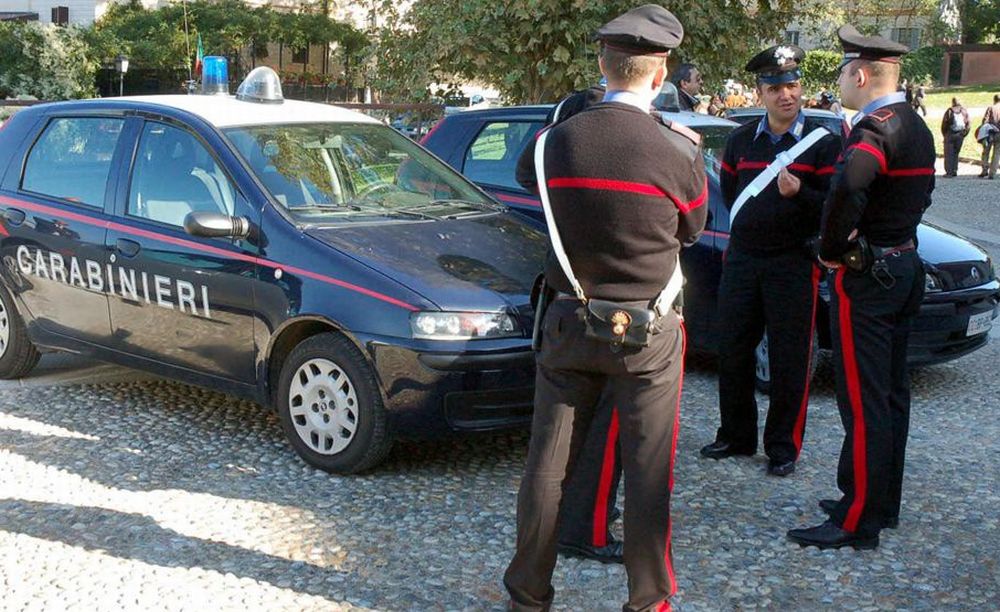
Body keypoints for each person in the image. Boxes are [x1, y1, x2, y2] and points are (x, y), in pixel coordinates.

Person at [503, 5, 708, 610]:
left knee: (546, 468)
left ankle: (528, 595)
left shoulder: (553, 143)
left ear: (602, 63)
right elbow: (692, 229)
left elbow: (526, 178)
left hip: (570, 318)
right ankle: (650, 600)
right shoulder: (678, 149)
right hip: (650, 331)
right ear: (661, 70)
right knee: (647, 473)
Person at [787, 24, 935, 550]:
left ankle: (857, 520)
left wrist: (830, 248)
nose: (842, 81)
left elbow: (850, 185)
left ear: (862, 73)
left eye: (845, 72)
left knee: (863, 399)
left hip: (868, 276)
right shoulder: (916, 124)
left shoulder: (875, 127)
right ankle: (879, 502)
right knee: (892, 394)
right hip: (904, 264)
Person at [699, 45, 840, 477]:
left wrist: (801, 195)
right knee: (734, 349)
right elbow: (729, 193)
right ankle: (736, 435)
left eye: (793, 86)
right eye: (776, 87)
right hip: (743, 260)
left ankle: (782, 447)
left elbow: (834, 207)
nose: (786, 95)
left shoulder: (823, 144)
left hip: (792, 262)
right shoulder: (741, 140)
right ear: (760, 93)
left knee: (790, 358)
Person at [544, 78, 627, 566]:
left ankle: (559, 525)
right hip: (613, 313)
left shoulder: (550, 158)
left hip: (564, 306)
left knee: (561, 436)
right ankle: (589, 529)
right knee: (606, 430)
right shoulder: (611, 153)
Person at [941, 97, 970, 177]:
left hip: (950, 134)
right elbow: (968, 124)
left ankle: (949, 172)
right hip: (960, 135)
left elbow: (944, 124)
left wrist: (945, 134)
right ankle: (954, 170)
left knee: (948, 154)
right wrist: (964, 134)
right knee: (956, 153)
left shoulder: (949, 111)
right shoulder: (964, 111)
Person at [978, 94, 1000, 179]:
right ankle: (992, 173)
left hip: (990, 133)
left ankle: (984, 170)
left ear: (994, 100)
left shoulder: (991, 108)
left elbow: (985, 121)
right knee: (997, 154)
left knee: (986, 152)